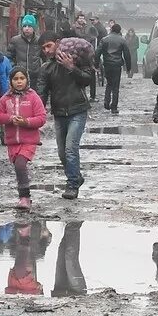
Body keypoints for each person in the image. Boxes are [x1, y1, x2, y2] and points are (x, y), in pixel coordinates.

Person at [37, 31, 93, 200]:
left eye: (49, 45)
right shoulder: (46, 68)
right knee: (62, 153)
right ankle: (76, 175)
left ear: (58, 42)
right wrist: (39, 112)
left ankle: (72, 185)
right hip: (59, 113)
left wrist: (71, 68)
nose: (47, 50)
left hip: (78, 110)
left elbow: (88, 79)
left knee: (70, 148)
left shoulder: (75, 60)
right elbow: (41, 92)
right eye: (43, 48)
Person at [0, 67, 47, 211]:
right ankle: (23, 196)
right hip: (12, 142)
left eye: (22, 78)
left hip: (29, 140)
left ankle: (25, 197)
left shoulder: (33, 97)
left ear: (27, 80)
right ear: (10, 82)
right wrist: (10, 118)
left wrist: (26, 122)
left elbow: (41, 118)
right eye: (15, 79)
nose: (19, 82)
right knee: (18, 167)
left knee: (20, 165)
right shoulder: (6, 98)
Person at [98, 23, 132, 115]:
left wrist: (96, 64)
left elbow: (98, 52)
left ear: (111, 29)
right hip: (117, 65)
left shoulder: (104, 39)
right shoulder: (122, 40)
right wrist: (128, 68)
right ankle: (114, 107)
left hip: (107, 64)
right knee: (116, 87)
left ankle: (106, 102)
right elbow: (127, 55)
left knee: (109, 84)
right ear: (119, 31)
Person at [7, 14, 43, 89]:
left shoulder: (39, 41)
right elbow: (9, 57)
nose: (27, 28)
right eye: (24, 26)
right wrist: (15, 68)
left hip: (35, 78)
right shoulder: (15, 40)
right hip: (19, 77)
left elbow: (45, 58)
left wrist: (41, 71)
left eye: (29, 26)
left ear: (34, 28)